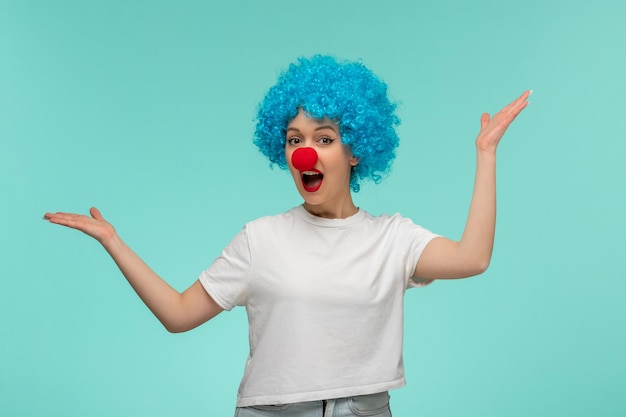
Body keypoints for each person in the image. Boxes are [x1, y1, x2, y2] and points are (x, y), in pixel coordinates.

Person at [44, 55, 530, 417]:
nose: (304, 153)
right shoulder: (260, 239)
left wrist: (485, 154)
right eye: (295, 139)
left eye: (323, 138)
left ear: (355, 150)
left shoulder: (393, 239)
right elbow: (178, 314)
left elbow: (473, 258)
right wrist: (113, 240)